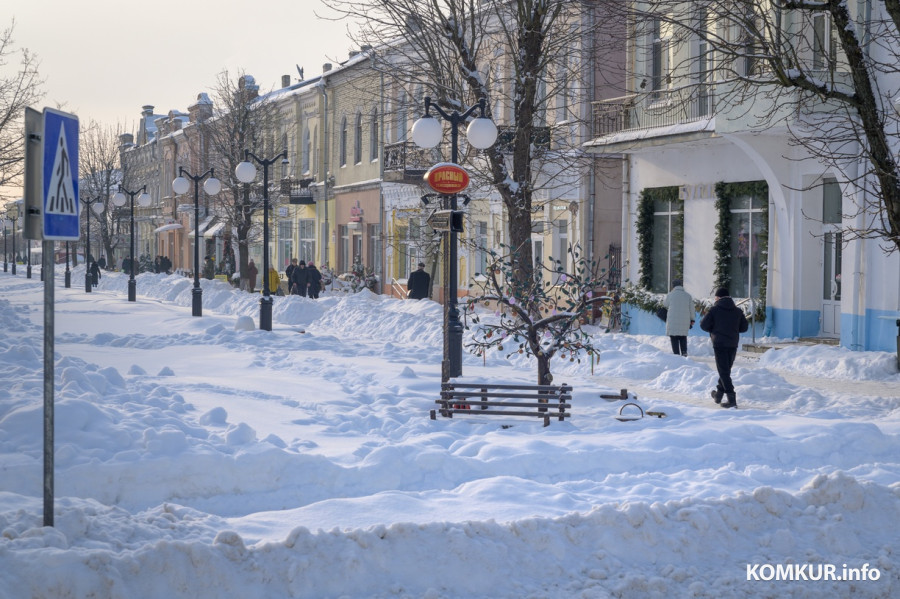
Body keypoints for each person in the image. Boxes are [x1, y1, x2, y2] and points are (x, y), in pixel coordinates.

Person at [700, 287, 749, 409]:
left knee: (724, 372)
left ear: (718, 298)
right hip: (733, 344)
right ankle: (718, 395)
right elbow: (744, 328)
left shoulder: (714, 310)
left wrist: (713, 329)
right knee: (725, 371)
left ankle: (732, 400)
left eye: (715, 297)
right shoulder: (737, 311)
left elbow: (703, 325)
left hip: (719, 344)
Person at [663, 279, 693, 356]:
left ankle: (676, 354)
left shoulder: (670, 295)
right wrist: (692, 319)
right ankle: (684, 352)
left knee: (674, 337)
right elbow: (692, 309)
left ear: (673, 286)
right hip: (685, 321)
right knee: (683, 336)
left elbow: (665, 304)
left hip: (672, 320)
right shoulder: (688, 296)